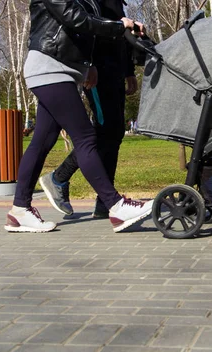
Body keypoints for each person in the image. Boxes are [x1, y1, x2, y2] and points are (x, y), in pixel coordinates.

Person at [4, 0, 152, 233]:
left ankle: (20, 210)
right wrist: (118, 25)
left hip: (59, 69)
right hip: (50, 67)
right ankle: (116, 205)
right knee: (85, 138)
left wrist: (92, 61)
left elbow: (88, 26)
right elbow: (75, 19)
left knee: (41, 142)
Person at [38, 0, 140, 219]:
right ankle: (58, 178)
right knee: (104, 131)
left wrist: (129, 70)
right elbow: (86, 26)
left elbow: (120, 31)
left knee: (114, 133)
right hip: (97, 71)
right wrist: (89, 64)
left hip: (115, 70)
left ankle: (105, 203)